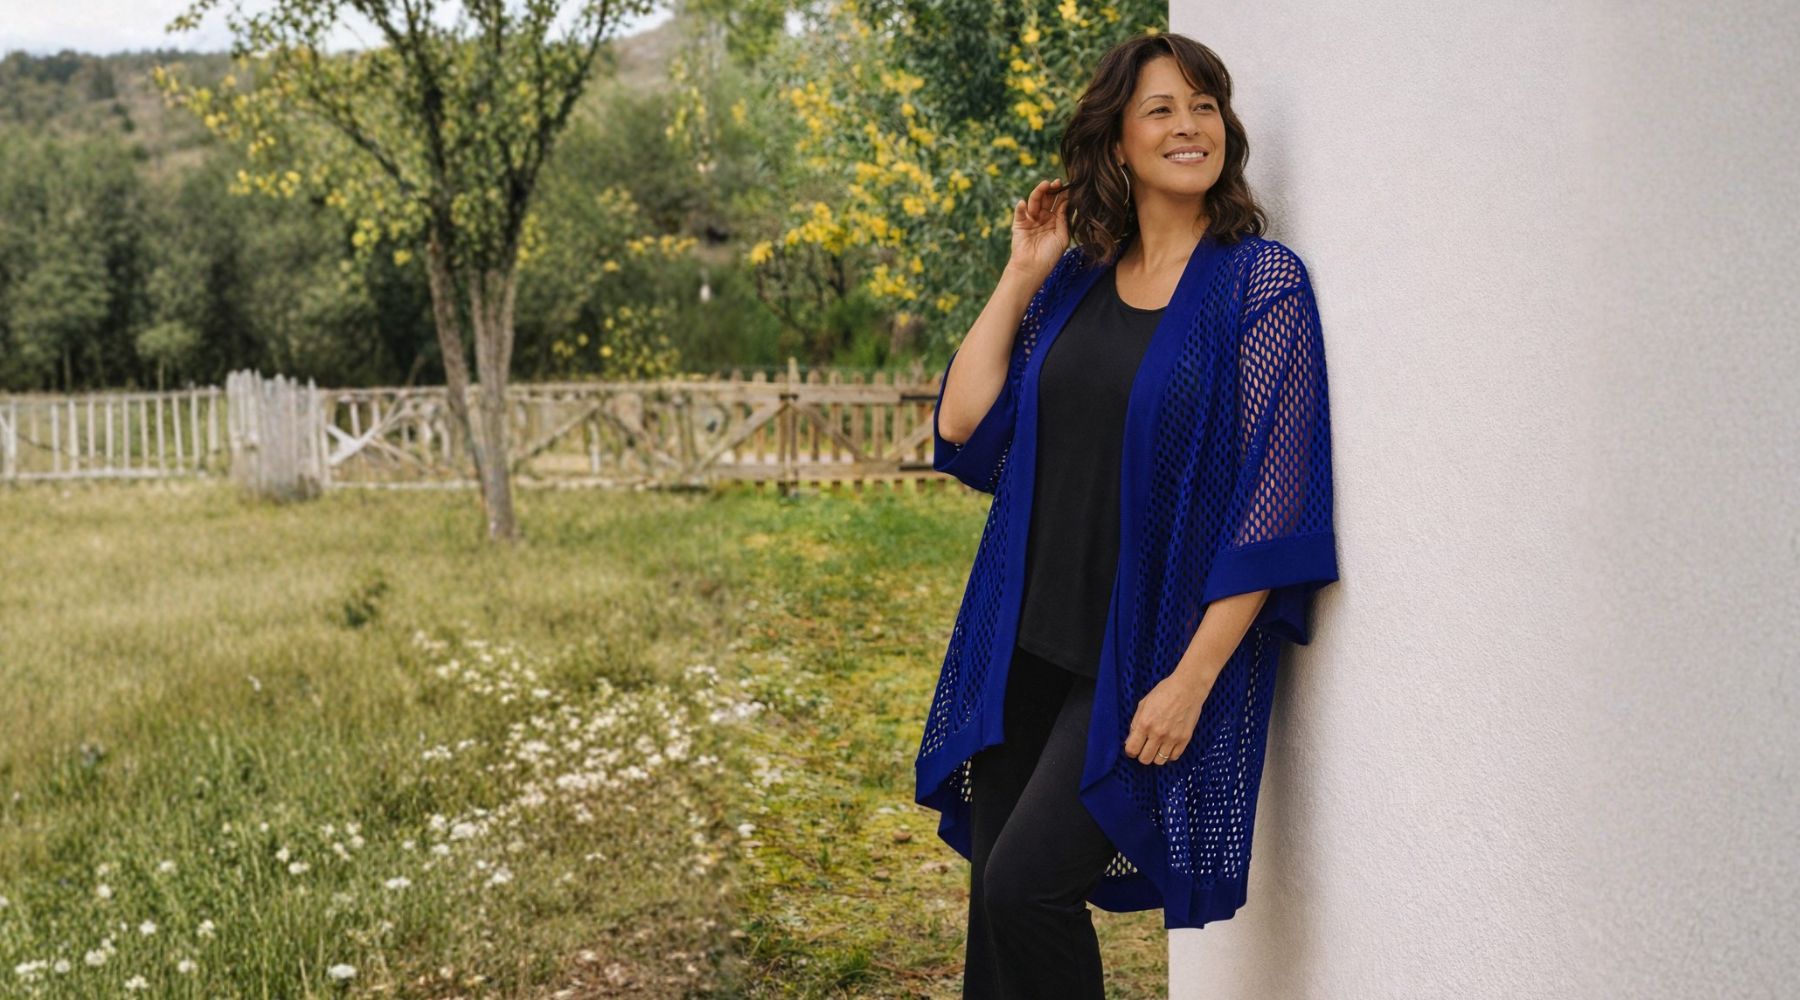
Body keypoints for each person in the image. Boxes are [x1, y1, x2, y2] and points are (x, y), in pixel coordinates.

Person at [915, 32, 1342, 999]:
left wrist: (1192, 679)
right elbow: (964, 422)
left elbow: (1273, 509)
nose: (1190, 127)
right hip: (1024, 642)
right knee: (995, 909)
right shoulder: (1075, 281)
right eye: (1161, 109)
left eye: (1205, 106)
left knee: (1028, 890)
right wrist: (1021, 273)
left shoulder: (1258, 286)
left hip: (1143, 655)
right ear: (1117, 141)